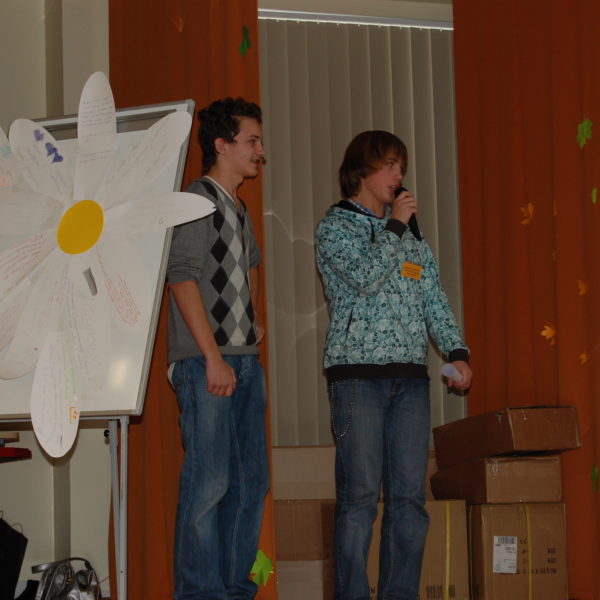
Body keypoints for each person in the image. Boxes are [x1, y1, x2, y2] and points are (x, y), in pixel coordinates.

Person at [315, 130, 472, 600]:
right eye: (388, 165)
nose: (398, 174)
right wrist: (397, 227)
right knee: (360, 500)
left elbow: (431, 295)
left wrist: (457, 351)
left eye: (401, 166)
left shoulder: (409, 232)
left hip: (410, 380)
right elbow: (365, 277)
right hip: (357, 380)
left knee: (409, 500)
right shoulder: (335, 227)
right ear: (361, 171)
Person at [166, 97, 269, 600]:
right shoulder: (196, 200)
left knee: (250, 485)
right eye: (252, 140)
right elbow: (181, 277)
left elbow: (251, 264)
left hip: (244, 362)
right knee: (208, 487)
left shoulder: (238, 207)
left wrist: (253, 322)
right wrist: (212, 357)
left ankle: (233, 590)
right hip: (207, 363)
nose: (260, 151)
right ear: (222, 144)